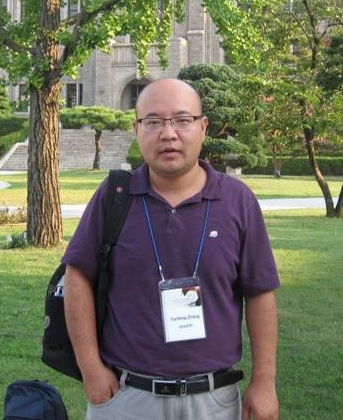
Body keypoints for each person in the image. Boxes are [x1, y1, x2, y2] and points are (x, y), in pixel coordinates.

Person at [62, 78, 280, 420]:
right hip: (127, 397)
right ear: (136, 129)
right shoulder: (114, 196)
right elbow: (77, 277)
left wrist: (264, 382)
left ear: (203, 127)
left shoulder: (237, 200)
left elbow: (259, 293)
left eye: (182, 120)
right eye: (153, 121)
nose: (168, 134)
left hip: (213, 401)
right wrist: (90, 367)